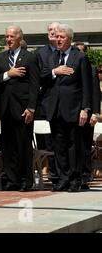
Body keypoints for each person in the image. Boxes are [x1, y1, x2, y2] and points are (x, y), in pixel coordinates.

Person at [41, 24, 92, 192]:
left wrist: (85, 109)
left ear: (69, 39)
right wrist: (55, 71)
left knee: (73, 146)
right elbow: (43, 78)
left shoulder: (80, 57)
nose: (58, 39)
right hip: (54, 109)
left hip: (73, 109)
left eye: (62, 37)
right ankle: (63, 178)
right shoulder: (52, 57)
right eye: (57, 36)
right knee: (59, 146)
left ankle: (75, 179)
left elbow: (86, 85)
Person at [0, 26, 39, 191]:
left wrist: (31, 108)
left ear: (20, 38)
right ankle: (11, 179)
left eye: (11, 36)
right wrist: (9, 74)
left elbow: (35, 85)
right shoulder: (0, 58)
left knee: (23, 145)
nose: (8, 39)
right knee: (7, 146)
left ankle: (25, 180)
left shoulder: (30, 57)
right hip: (5, 107)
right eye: (6, 36)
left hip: (22, 108)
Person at [35, 21, 60, 184]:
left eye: (54, 30)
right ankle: (51, 174)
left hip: (65, 104)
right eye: (49, 30)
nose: (51, 32)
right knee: (47, 141)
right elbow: (38, 76)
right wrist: (53, 72)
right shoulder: (40, 53)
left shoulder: (68, 52)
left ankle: (62, 174)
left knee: (61, 141)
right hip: (46, 102)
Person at [75, 42, 100, 189]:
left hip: (88, 114)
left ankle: (85, 174)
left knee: (85, 145)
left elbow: (95, 93)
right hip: (73, 113)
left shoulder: (91, 69)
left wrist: (95, 113)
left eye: (80, 51)